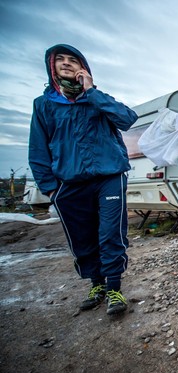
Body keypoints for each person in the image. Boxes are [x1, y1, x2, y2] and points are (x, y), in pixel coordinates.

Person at [28, 44, 138, 315]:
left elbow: (128, 119)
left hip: (109, 176)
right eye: (60, 60)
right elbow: (38, 149)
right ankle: (96, 284)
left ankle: (114, 287)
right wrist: (51, 189)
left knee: (110, 233)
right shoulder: (44, 105)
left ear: (83, 68)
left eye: (73, 60)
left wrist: (91, 91)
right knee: (82, 237)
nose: (66, 63)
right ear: (51, 67)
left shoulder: (97, 98)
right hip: (69, 183)